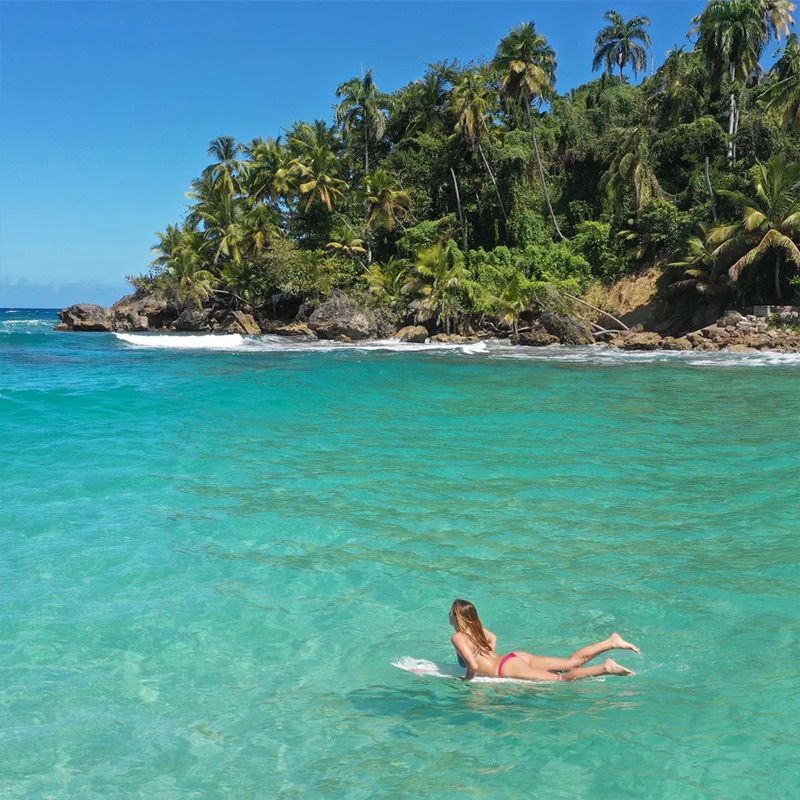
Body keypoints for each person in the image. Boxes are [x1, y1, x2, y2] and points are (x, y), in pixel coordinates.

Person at [449, 598, 639, 682]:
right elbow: (493, 638)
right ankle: (611, 642)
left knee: (561, 678)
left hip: (504, 668)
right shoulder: (475, 629)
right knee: (569, 663)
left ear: (457, 616)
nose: (448, 614)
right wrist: (489, 655)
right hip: (513, 658)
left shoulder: (458, 637)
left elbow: (473, 666)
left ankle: (605, 668)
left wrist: (466, 681)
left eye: (451, 612)